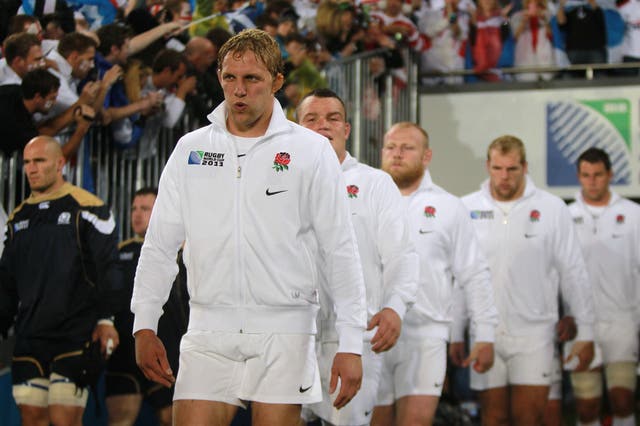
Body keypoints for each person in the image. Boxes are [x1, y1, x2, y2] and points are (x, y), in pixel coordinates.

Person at [130, 29, 367, 426]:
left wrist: (352, 343)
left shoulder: (311, 151)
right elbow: (158, 245)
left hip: (285, 329)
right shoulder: (191, 149)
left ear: (277, 81)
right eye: (229, 78)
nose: (239, 90)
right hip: (207, 327)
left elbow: (339, 250)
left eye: (252, 79)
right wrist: (144, 324)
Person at [297, 89, 418, 426]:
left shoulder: (375, 183)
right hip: (290, 335)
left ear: (346, 129)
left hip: (352, 338)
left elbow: (402, 254)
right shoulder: (278, 183)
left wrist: (396, 305)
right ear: (296, 128)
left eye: (332, 118)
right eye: (312, 118)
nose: (323, 125)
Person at [460, 135, 595, 425]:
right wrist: (455, 331)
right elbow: (460, 276)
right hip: (485, 333)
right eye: (497, 168)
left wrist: (586, 332)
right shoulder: (466, 207)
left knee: (529, 420)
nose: (504, 176)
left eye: (512, 169)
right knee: (492, 419)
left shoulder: (552, 208)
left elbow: (573, 270)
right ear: (487, 166)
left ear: (525, 167)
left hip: (535, 335)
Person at [371, 122, 498, 426]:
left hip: (425, 335)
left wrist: (485, 334)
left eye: (407, 148)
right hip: (370, 335)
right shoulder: (364, 199)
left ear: (427, 156)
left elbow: (474, 274)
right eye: (390, 147)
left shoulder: (449, 207)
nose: (397, 154)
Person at [0, 136, 121, 426]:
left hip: (76, 333)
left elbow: (109, 269)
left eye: (39, 161)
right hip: (30, 336)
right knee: (32, 417)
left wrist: (107, 319)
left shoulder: (89, 208)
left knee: (65, 419)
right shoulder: (17, 219)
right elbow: (6, 283)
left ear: (60, 163)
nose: (31, 168)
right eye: (27, 162)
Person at [567, 147, 640, 426]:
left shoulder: (633, 215)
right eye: (586, 175)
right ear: (578, 177)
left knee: (623, 401)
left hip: (623, 322)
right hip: (581, 326)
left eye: (598, 175)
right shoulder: (565, 216)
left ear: (610, 175)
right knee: (587, 408)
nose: (593, 181)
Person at [106, 187, 189, 426]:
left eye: (145, 209)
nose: (137, 214)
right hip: (124, 352)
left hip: (168, 349)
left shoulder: (182, 254)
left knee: (170, 418)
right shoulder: (120, 252)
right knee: (119, 418)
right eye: (134, 208)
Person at [0, 68, 95, 158]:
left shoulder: (12, 90)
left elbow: (47, 129)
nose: (54, 103)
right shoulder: (19, 128)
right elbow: (58, 158)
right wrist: (81, 128)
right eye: (52, 98)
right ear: (38, 97)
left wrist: (77, 107)